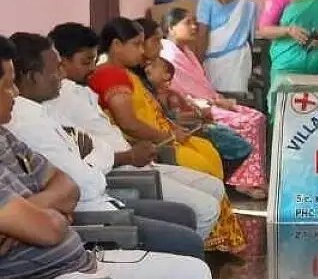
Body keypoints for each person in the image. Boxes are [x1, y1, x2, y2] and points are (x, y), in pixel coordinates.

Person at [0, 34, 211, 279]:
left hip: (79, 256)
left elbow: (67, 187)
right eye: (6, 85)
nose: (14, 93)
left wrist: (33, 213)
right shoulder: (23, 121)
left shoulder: (4, 137)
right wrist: (49, 213)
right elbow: (52, 224)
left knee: (196, 276)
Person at [6, 32, 204, 259]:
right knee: (188, 240)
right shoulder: (27, 122)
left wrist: (90, 167)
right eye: (55, 70)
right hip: (93, 217)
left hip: (103, 193)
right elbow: (84, 185)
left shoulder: (43, 109)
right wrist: (96, 167)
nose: (62, 75)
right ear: (31, 76)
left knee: (184, 215)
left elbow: (91, 152)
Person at [45, 22, 228, 242]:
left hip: (135, 160)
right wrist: (135, 152)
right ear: (61, 61)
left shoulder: (79, 90)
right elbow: (124, 126)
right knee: (206, 209)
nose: (92, 68)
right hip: (118, 171)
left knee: (215, 187)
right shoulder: (56, 99)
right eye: (85, 62)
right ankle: (188, 249)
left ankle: (188, 246)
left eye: (93, 60)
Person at [87, 17, 244, 253]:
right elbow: (129, 124)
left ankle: (203, 243)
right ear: (117, 45)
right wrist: (166, 136)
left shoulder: (123, 73)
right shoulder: (110, 74)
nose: (142, 51)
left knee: (209, 162)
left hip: (148, 145)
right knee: (204, 176)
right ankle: (192, 248)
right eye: (136, 44)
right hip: (138, 152)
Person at [160, 9, 267, 199]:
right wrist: (213, 102)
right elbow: (182, 94)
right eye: (188, 23)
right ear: (171, 28)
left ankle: (254, 177)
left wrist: (219, 100)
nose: (194, 27)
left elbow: (200, 85)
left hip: (211, 101)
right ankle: (243, 182)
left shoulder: (186, 52)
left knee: (257, 116)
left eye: (195, 22)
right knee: (249, 123)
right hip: (197, 108)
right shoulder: (169, 56)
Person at [195, 0, 257, 94]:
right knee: (212, 98)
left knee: (236, 99)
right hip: (212, 62)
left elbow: (249, 39)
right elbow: (202, 34)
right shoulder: (207, 1)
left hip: (237, 62)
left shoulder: (246, 6)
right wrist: (198, 64)